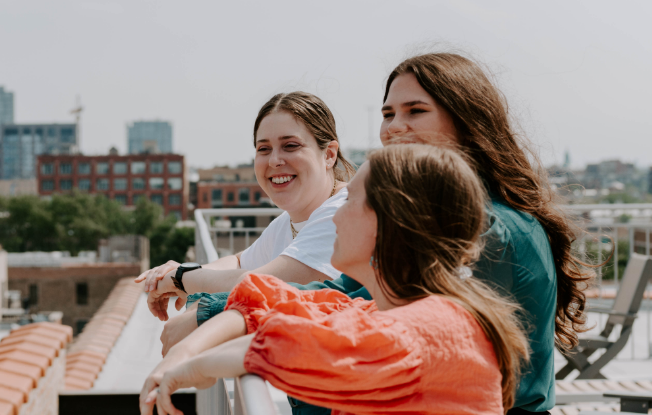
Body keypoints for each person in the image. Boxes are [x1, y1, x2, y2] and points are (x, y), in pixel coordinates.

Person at [185, 52, 594, 415]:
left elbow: (350, 310)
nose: (394, 128)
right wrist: (216, 312)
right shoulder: (451, 214)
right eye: (387, 114)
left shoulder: (484, 227)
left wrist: (208, 316)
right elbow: (338, 298)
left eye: (415, 111)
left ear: (467, 120)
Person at [140, 144, 530, 415]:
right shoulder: (406, 311)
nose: (336, 215)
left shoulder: (428, 330)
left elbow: (292, 344)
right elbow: (288, 304)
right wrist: (186, 359)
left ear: (391, 223)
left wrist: (185, 369)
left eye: (350, 202)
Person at [133, 91, 355, 352]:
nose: (274, 160)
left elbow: (262, 282)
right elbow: (240, 261)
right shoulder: (289, 220)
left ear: (329, 154)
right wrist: (185, 271)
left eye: (290, 146)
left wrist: (182, 279)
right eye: (264, 149)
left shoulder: (346, 212)